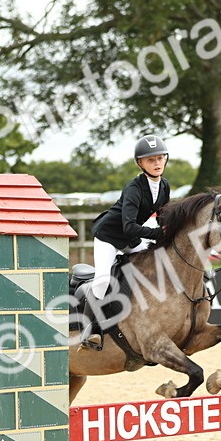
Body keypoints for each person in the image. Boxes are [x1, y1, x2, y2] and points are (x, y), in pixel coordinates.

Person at [80, 135, 171, 349]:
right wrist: (158, 234)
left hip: (130, 238)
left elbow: (163, 217)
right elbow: (129, 225)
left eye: (160, 158)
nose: (157, 163)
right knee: (102, 280)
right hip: (109, 237)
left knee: (153, 264)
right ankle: (90, 330)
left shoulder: (164, 186)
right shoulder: (134, 188)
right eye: (151, 160)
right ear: (140, 163)